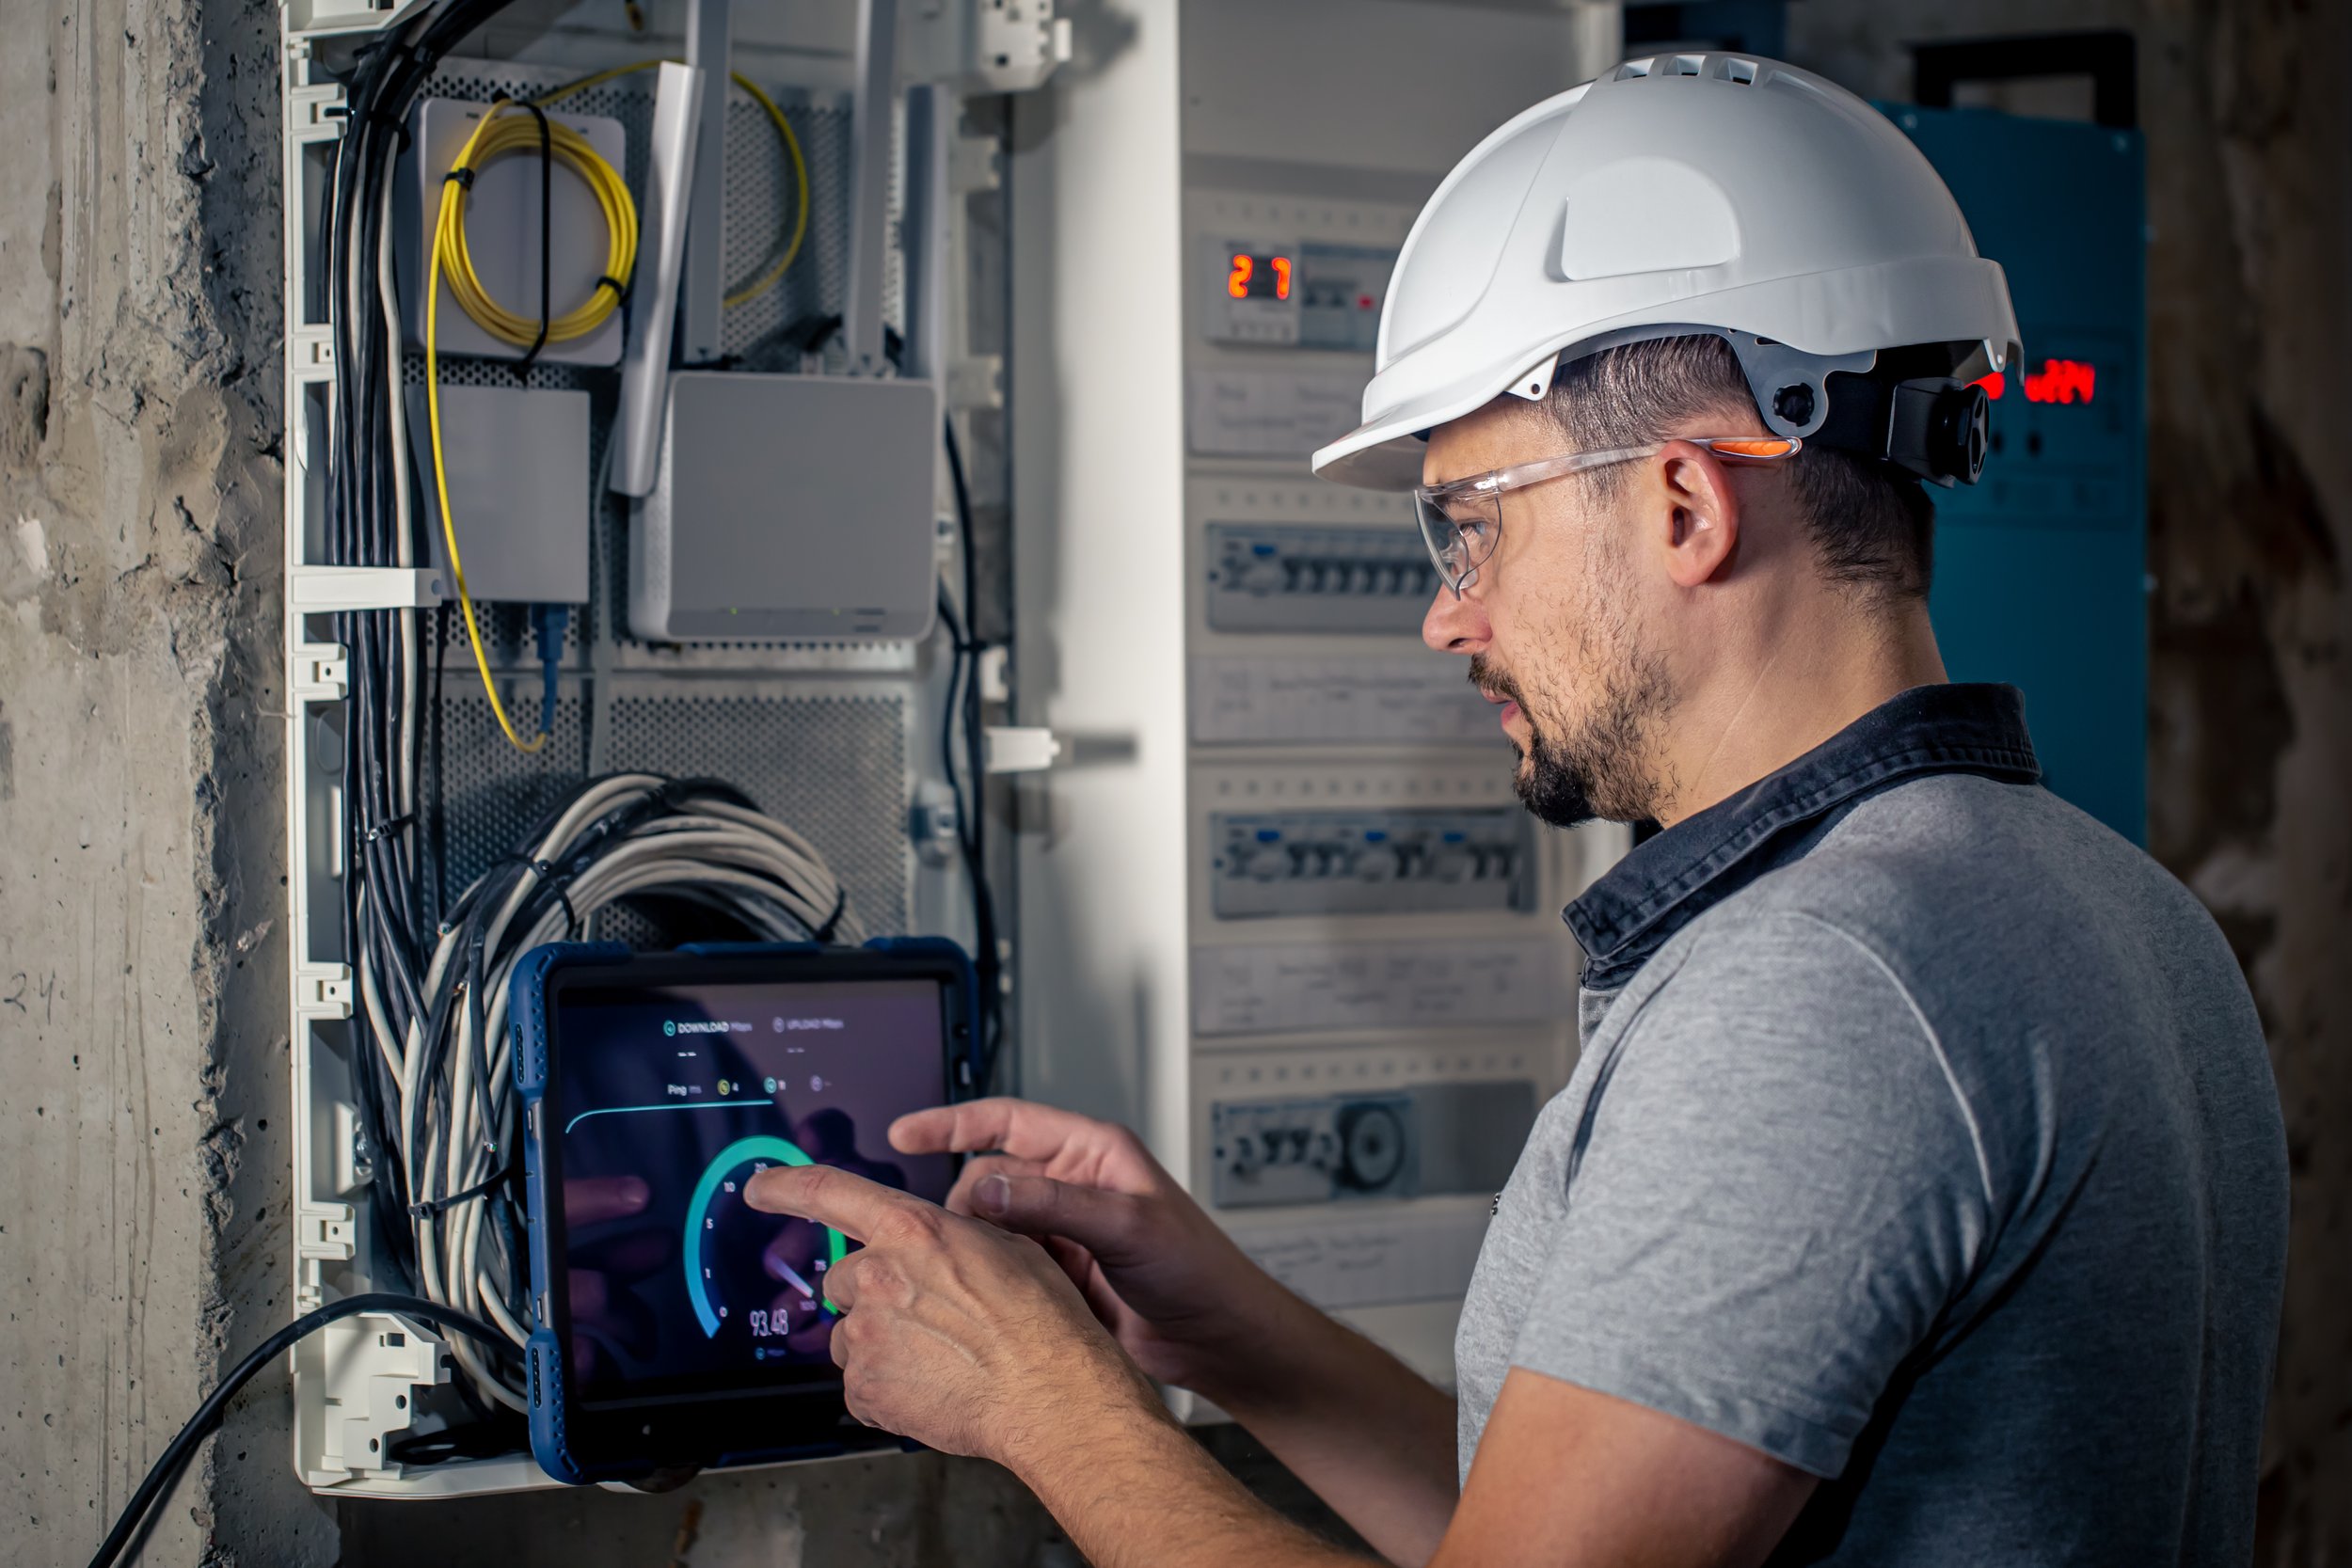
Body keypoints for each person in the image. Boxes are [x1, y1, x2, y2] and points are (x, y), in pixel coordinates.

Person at [747, 55, 2288, 1568]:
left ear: (1686, 504)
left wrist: (1049, 1409)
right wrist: (1236, 1333)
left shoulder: (1817, 993)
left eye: (1475, 529)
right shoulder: (2111, 903)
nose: (1447, 615)